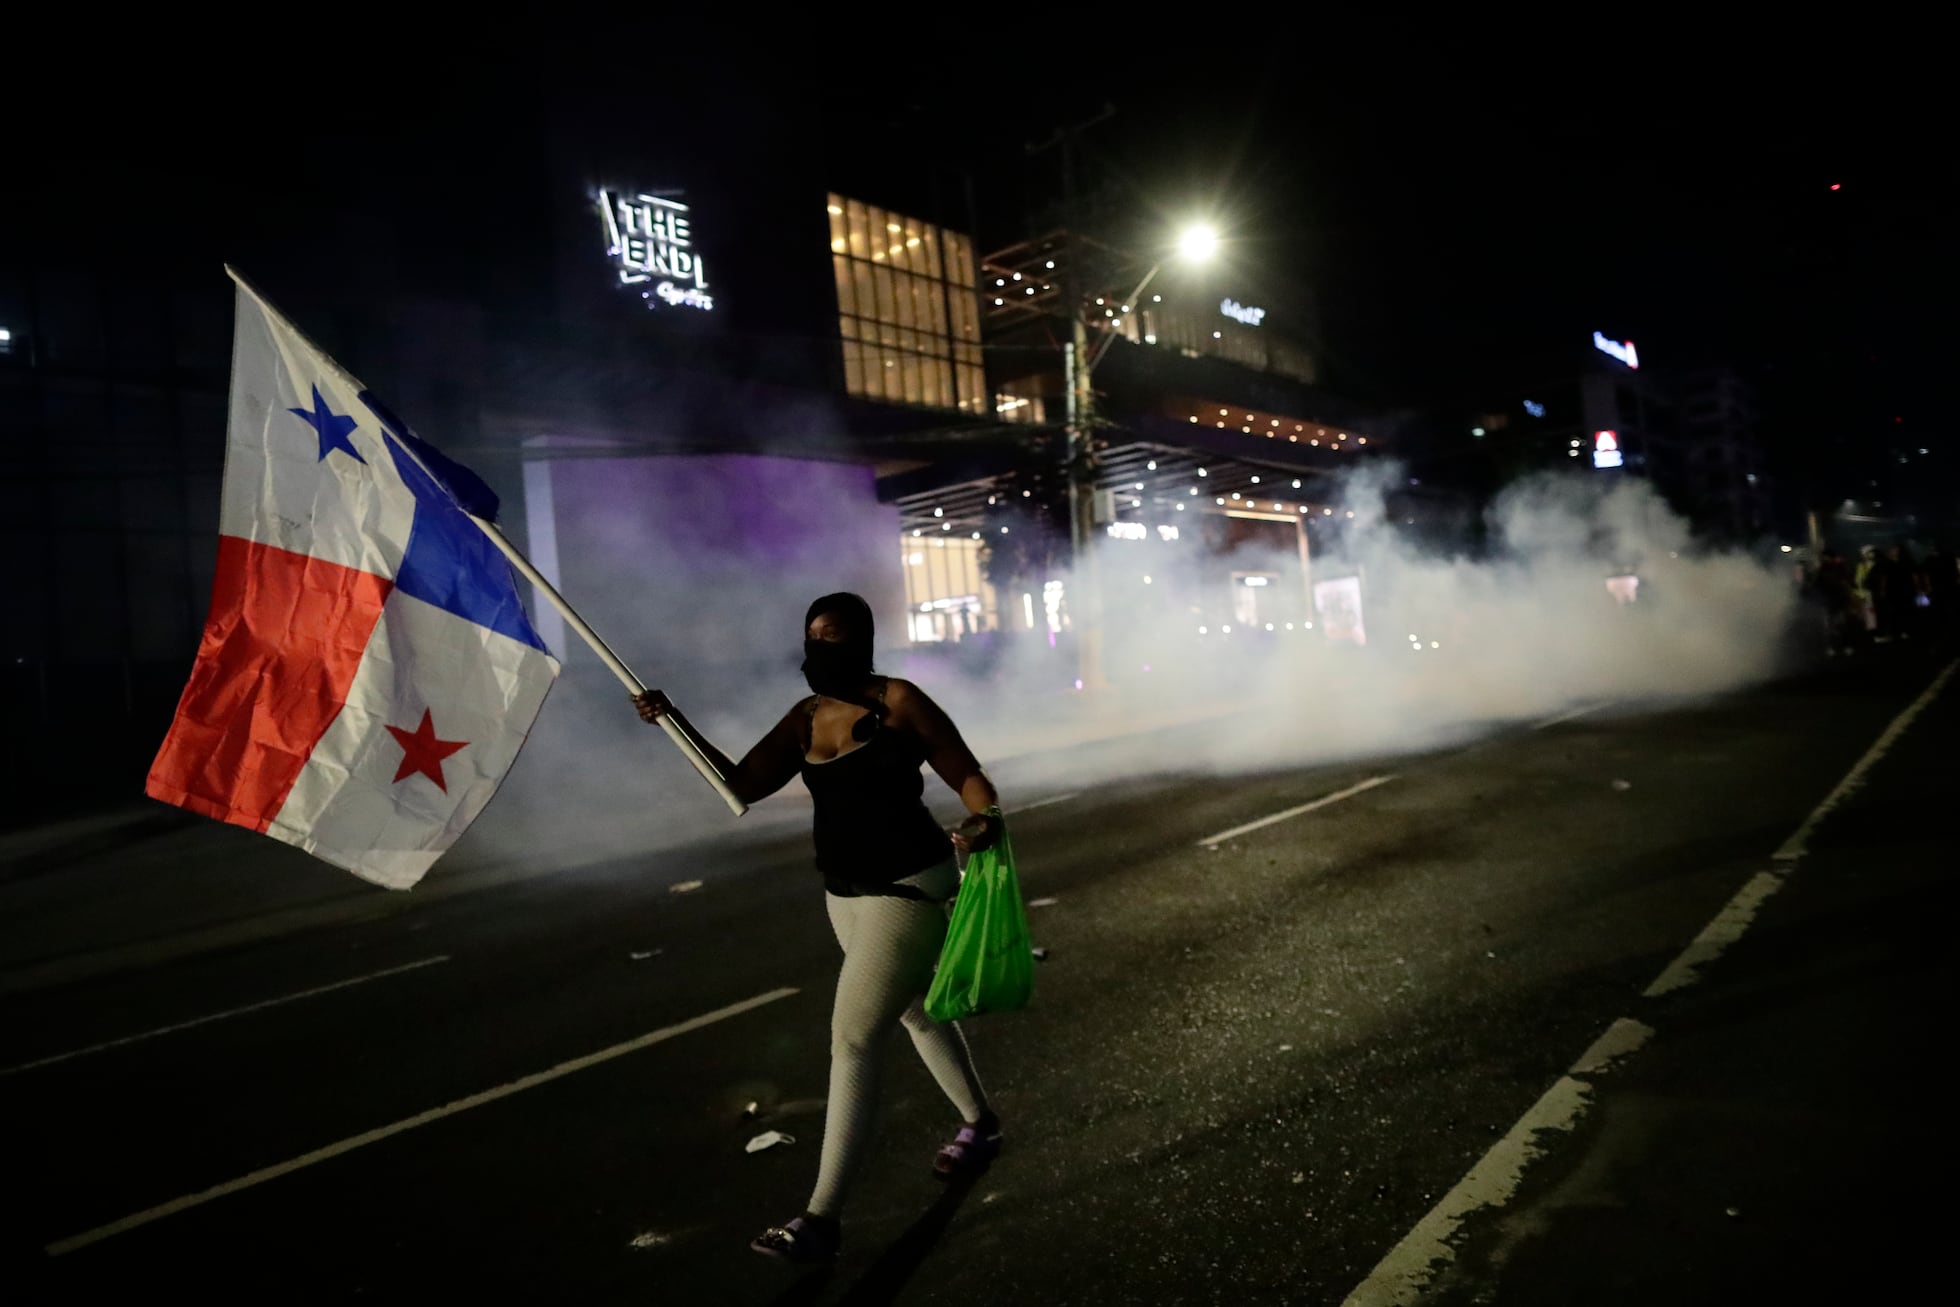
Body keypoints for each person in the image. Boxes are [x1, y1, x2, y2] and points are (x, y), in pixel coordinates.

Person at [633, 592, 1003, 1264]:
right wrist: (672, 721)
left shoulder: (901, 701)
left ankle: (821, 1218)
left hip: (908, 886)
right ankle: (981, 1123)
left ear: (860, 640)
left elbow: (967, 772)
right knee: (917, 1013)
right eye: (811, 636)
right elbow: (741, 783)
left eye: (831, 636)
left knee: (853, 1038)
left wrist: (982, 822)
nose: (818, 648)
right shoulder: (805, 718)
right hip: (844, 893)